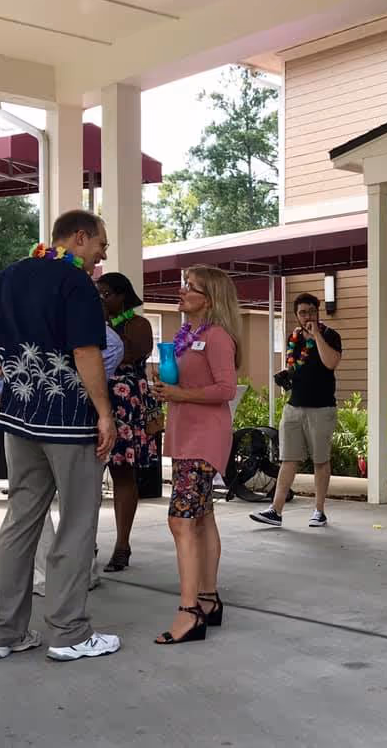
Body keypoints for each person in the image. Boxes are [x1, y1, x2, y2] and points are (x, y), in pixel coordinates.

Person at [0, 210, 120, 662]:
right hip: (68, 420)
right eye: (101, 245)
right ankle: (69, 633)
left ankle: (3, 632)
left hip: (17, 416)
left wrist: (6, 349)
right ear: (80, 238)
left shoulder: (12, 274)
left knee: (20, 520)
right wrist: (104, 413)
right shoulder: (77, 285)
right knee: (76, 521)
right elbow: (87, 351)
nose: (103, 254)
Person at [0, 327, 125, 595]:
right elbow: (112, 345)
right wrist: (80, 382)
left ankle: (16, 611)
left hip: (20, 414)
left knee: (24, 513)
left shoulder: (4, 299)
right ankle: (71, 595)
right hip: (69, 418)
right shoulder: (70, 297)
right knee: (78, 511)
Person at [151, 265, 240, 645]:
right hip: (188, 435)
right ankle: (207, 598)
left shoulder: (217, 337)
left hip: (204, 438)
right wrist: (167, 388)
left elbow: (226, 389)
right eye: (184, 285)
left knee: (181, 521)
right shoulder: (187, 336)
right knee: (201, 518)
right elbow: (192, 383)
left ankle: (189, 613)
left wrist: (180, 395)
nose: (182, 291)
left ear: (210, 299)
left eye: (191, 287)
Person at [250, 292, 342, 529]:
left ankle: (319, 511)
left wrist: (317, 335)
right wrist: (287, 375)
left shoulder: (331, 335)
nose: (307, 316)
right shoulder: (294, 338)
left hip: (321, 409)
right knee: (288, 459)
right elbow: (300, 365)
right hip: (294, 406)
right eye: (302, 312)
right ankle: (276, 510)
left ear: (317, 312)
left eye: (311, 311)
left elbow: (330, 362)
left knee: (320, 460)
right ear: (296, 315)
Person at [96, 272, 159, 573]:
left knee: (123, 472)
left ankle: (122, 545)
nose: (102, 299)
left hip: (126, 402)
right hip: (96, 399)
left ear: (123, 296)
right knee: (87, 476)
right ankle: (85, 542)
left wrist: (107, 324)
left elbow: (131, 352)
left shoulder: (139, 324)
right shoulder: (90, 322)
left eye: (106, 294)